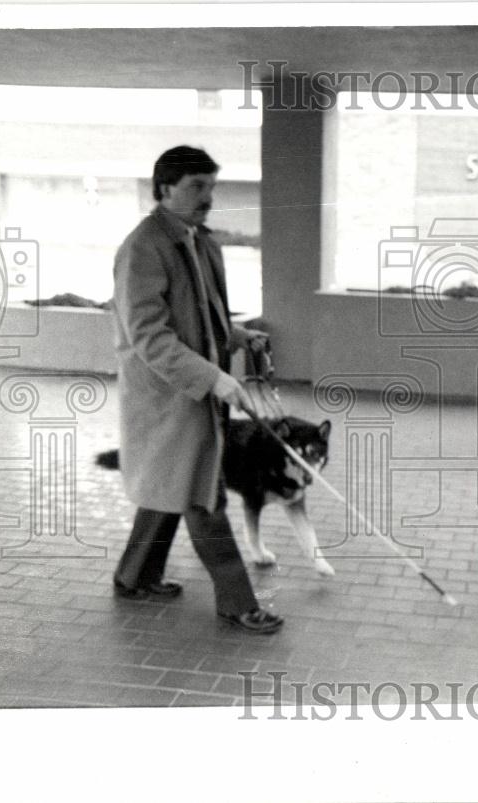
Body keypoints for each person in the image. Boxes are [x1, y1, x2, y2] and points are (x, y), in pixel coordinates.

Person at [110, 145, 283, 633]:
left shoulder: (200, 241)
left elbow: (206, 319)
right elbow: (150, 337)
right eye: (196, 187)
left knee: (173, 482)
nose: (209, 197)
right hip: (169, 397)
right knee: (203, 494)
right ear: (164, 189)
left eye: (211, 186)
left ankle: (133, 576)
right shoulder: (142, 248)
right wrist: (215, 378)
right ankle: (237, 601)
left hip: (197, 393)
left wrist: (238, 336)